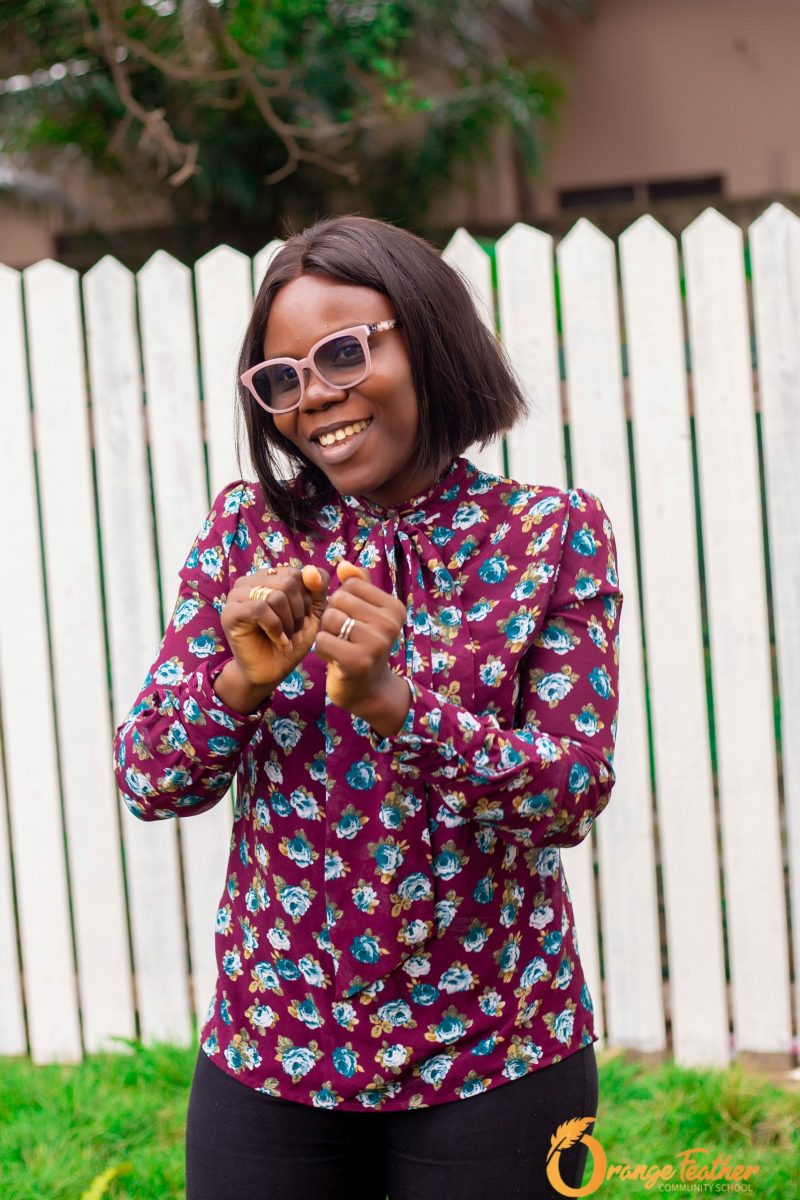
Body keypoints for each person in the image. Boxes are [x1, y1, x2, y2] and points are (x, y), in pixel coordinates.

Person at [113, 214, 623, 1200]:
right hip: (275, 1050)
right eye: (282, 378)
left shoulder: (548, 535)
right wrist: (241, 684)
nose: (314, 397)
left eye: (343, 353)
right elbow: (148, 778)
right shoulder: (248, 532)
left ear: (429, 337)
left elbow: (571, 793)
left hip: (498, 1047)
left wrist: (402, 708)